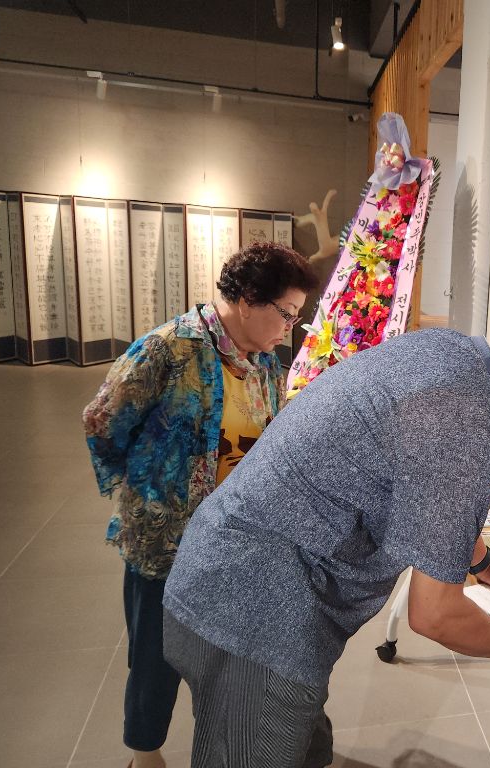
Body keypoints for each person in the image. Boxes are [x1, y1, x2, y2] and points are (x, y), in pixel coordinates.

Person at [161, 307, 490, 767]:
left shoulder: (448, 352)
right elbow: (434, 615)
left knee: (305, 751)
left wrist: (485, 565)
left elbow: (428, 496)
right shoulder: (468, 425)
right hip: (252, 615)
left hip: (224, 569)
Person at [83, 241, 320, 768]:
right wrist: (151, 486)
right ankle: (145, 754)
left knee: (237, 656)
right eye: (286, 314)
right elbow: (102, 420)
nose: (289, 328)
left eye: (295, 317)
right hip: (168, 542)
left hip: (236, 541)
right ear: (249, 300)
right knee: (155, 656)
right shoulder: (169, 349)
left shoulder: (264, 363)